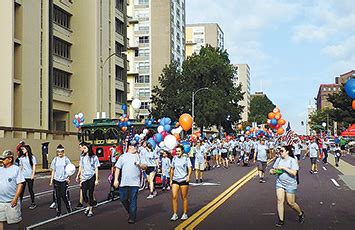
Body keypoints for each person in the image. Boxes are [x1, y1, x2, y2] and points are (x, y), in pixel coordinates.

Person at [270, 145, 305, 227]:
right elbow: (273, 169)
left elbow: (294, 173)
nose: (280, 152)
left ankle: (300, 213)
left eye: (282, 151)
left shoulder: (292, 160)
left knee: (290, 203)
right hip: (280, 183)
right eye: (279, 151)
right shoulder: (278, 159)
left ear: (287, 152)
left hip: (290, 184)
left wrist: (284, 168)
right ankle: (281, 220)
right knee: (280, 200)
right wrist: (272, 171)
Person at [113, 140, 147, 224]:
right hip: (124, 182)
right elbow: (117, 168)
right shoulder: (123, 156)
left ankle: (132, 217)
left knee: (133, 200)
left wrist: (139, 164)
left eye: (135, 146)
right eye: (132, 146)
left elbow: (145, 167)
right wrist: (116, 179)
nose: (134, 148)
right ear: (129, 147)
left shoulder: (139, 156)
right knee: (123, 199)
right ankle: (131, 211)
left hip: (134, 183)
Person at [0, 150, 25, 230]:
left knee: (16, 221)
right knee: (1, 220)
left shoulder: (16, 169)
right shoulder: (0, 169)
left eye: (4, 159)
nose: (1, 161)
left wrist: (15, 198)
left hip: (12, 201)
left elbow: (20, 184)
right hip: (1, 201)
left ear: (10, 159)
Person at [76, 142, 100, 217]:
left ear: (88, 148)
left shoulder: (94, 157)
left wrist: (96, 179)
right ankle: (88, 205)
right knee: (84, 193)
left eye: (85, 148)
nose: (83, 149)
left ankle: (90, 209)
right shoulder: (82, 156)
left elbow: (96, 168)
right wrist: (78, 175)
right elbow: (81, 166)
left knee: (90, 193)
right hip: (84, 177)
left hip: (91, 176)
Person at [170, 145, 192, 221]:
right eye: (176, 151)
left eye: (179, 151)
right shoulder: (174, 159)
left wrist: (188, 176)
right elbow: (172, 169)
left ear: (182, 151)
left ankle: (185, 213)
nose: (177, 152)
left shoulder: (186, 159)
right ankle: (175, 214)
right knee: (174, 196)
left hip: (183, 180)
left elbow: (189, 168)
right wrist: (171, 179)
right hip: (175, 180)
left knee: (184, 197)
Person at [49, 144, 72, 217]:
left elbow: (70, 169)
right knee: (57, 196)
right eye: (58, 152)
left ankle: (68, 208)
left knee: (63, 195)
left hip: (64, 180)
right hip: (56, 180)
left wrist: (68, 178)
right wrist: (51, 180)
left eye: (61, 152)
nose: (60, 153)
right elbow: (53, 170)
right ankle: (59, 211)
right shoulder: (55, 159)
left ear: (63, 152)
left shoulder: (66, 159)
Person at [18, 145, 37, 209]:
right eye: (22, 149)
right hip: (23, 176)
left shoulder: (32, 157)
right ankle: (19, 203)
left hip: (30, 176)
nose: (22, 150)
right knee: (21, 191)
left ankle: (33, 203)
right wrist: (20, 175)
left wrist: (33, 175)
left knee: (30, 190)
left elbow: (34, 166)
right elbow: (21, 167)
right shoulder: (21, 158)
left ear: (27, 149)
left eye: (23, 149)